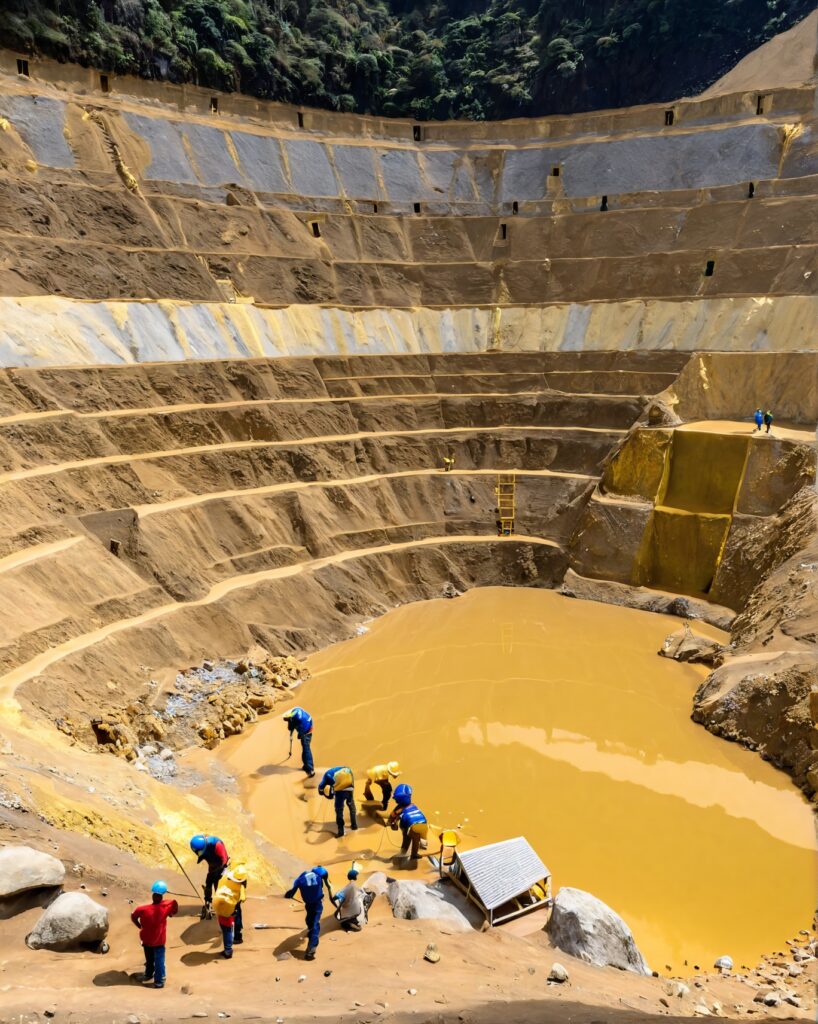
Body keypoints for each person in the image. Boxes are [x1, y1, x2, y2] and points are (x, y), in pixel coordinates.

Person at [131, 880, 178, 989]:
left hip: (146, 940)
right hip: (159, 941)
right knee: (159, 960)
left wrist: (139, 926)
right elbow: (174, 905)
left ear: (152, 896)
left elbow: (133, 916)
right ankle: (159, 981)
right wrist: (170, 913)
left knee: (149, 959)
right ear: (161, 897)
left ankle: (148, 974)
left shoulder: (142, 909)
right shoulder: (165, 907)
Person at [284, 865, 333, 960]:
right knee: (312, 922)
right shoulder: (319, 874)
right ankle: (312, 939)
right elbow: (327, 883)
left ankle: (312, 949)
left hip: (310, 903)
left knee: (313, 923)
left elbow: (291, 893)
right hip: (316, 903)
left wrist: (288, 895)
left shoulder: (299, 880)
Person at [213, 863, 247, 959]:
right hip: (231, 909)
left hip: (222, 905)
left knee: (226, 929)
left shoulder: (225, 878)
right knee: (228, 927)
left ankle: (228, 950)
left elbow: (218, 887)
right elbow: (242, 899)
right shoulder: (240, 887)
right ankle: (229, 946)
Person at [189, 833, 229, 915]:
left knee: (217, 883)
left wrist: (217, 870)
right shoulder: (201, 844)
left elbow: (224, 860)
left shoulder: (217, 845)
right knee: (209, 881)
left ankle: (220, 903)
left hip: (220, 863)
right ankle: (208, 899)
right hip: (212, 862)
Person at [318, 765, 357, 837]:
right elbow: (320, 787)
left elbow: (320, 787)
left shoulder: (326, 776)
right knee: (351, 803)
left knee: (339, 809)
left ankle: (341, 831)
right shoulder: (332, 773)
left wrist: (321, 792)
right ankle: (354, 825)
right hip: (349, 777)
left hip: (340, 789)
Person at [333, 867, 374, 932]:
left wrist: (338, 907)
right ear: (356, 877)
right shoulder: (357, 887)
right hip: (356, 912)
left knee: (346, 923)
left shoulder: (348, 887)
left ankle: (348, 923)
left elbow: (335, 897)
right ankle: (351, 922)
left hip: (349, 913)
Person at [283, 706, 315, 777]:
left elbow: (301, 732)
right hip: (304, 727)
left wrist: (300, 735)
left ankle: (310, 770)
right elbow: (290, 726)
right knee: (304, 749)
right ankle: (306, 765)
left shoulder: (300, 721)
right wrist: (291, 727)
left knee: (306, 749)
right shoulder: (295, 712)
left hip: (307, 731)